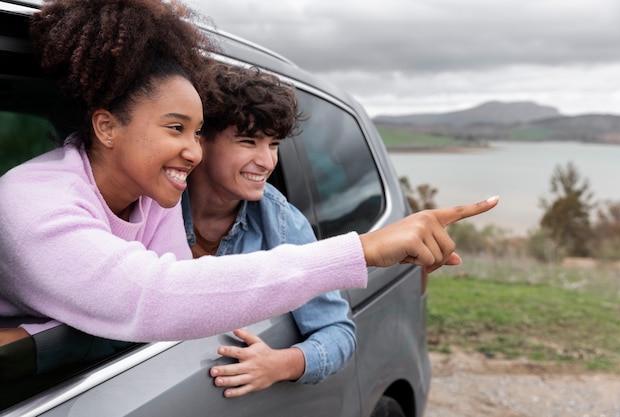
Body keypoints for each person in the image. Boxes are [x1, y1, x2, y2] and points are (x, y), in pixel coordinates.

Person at [0, 0, 498, 351]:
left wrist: (34, 336)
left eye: (197, 133)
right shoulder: (35, 202)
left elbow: (173, 292)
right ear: (106, 126)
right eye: (176, 128)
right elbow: (152, 296)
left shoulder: (150, 197)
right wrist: (362, 249)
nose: (192, 151)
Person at [180, 62, 355, 397]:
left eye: (273, 144)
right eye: (249, 141)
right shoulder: (153, 203)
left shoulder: (284, 223)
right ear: (200, 141)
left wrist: (280, 365)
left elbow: (338, 332)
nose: (267, 161)